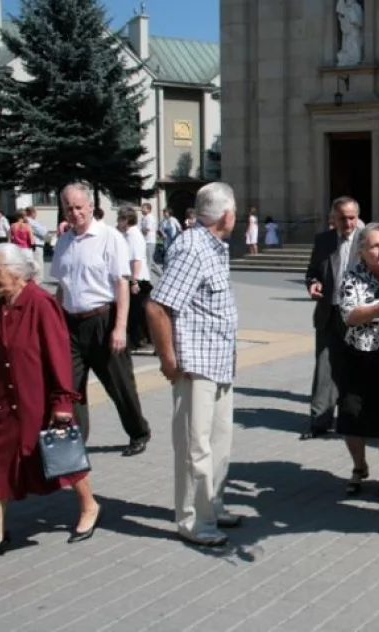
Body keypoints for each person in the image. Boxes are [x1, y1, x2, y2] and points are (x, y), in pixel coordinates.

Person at [147, 183, 241, 547]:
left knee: (220, 443)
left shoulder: (214, 247)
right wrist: (169, 360)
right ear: (227, 215)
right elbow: (157, 307)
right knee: (194, 448)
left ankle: (212, 505)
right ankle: (192, 520)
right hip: (195, 365)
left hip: (218, 362)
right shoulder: (192, 248)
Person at [0, 244, 101, 553]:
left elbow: (59, 358)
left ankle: (89, 505)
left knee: (60, 457)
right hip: (5, 399)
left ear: (17, 273)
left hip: (36, 400)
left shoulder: (40, 303)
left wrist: (63, 403)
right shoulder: (1, 304)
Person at [50, 183, 152, 456]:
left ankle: (138, 432)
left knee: (120, 385)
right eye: (68, 208)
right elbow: (61, 285)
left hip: (103, 321)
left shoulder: (109, 237)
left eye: (79, 207)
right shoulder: (64, 241)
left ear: (91, 207)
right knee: (69, 388)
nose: (74, 213)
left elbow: (121, 284)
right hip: (71, 324)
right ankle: (76, 442)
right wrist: (54, 322)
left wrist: (119, 328)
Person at [336, 223, 379, 498]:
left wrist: (373, 310)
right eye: (374, 245)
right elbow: (350, 315)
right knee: (351, 412)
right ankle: (359, 467)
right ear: (362, 251)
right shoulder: (352, 277)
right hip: (357, 353)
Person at [303, 197, 362, 438]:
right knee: (324, 367)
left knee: (357, 368)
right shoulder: (323, 240)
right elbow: (313, 270)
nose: (347, 223)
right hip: (329, 312)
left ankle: (358, 420)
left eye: (351, 218)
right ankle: (319, 421)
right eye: (342, 218)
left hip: (358, 316)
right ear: (333, 219)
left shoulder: (368, 239)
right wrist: (313, 282)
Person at [116, 207, 152, 352]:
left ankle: (141, 341)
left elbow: (136, 260)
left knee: (137, 313)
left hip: (138, 279)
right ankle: (136, 340)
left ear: (126, 220)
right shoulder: (126, 234)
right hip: (132, 278)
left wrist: (134, 281)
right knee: (134, 312)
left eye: (120, 218)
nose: (117, 221)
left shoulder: (133, 235)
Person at [25, 207, 47, 283]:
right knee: (38, 267)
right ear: (32, 213)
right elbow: (43, 232)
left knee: (34, 266)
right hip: (36, 245)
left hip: (34, 246)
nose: (36, 214)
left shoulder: (30, 221)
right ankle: (37, 285)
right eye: (35, 213)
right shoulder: (30, 221)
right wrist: (44, 229)